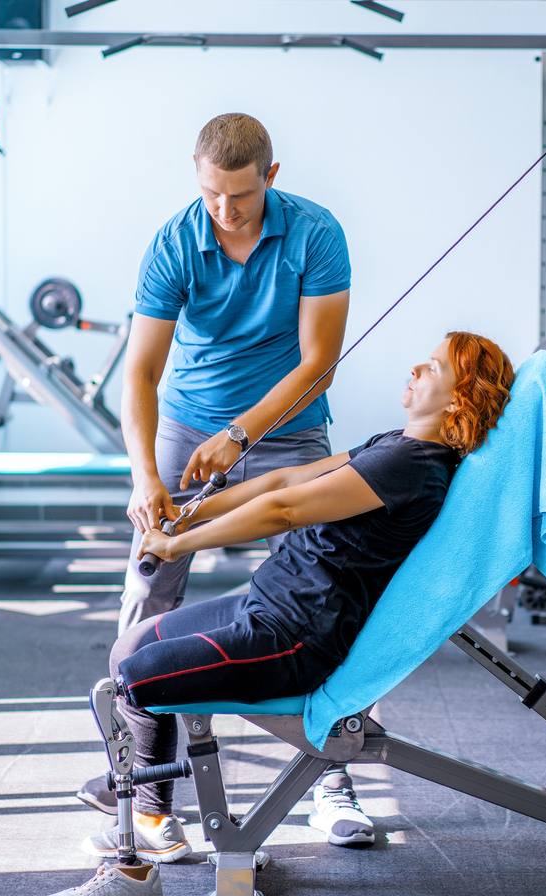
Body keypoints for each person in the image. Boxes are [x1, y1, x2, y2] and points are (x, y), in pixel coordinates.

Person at [38, 332, 516, 896]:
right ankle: (155, 819)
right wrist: (187, 507)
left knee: (134, 680)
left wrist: (176, 543)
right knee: (131, 645)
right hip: (267, 603)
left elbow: (284, 513)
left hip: (293, 636)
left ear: (458, 399)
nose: (417, 366)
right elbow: (285, 482)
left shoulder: (412, 465)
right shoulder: (395, 443)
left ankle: (134, 873)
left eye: (436, 366)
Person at [74, 113, 371, 855]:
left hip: (288, 430)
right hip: (183, 428)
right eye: (211, 195)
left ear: (270, 177)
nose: (225, 212)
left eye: (239, 197)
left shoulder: (314, 233)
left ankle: (334, 777)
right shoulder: (175, 241)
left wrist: (242, 432)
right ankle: (143, 787)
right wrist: (146, 475)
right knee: (148, 580)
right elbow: (139, 373)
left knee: (333, 584)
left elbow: (317, 365)